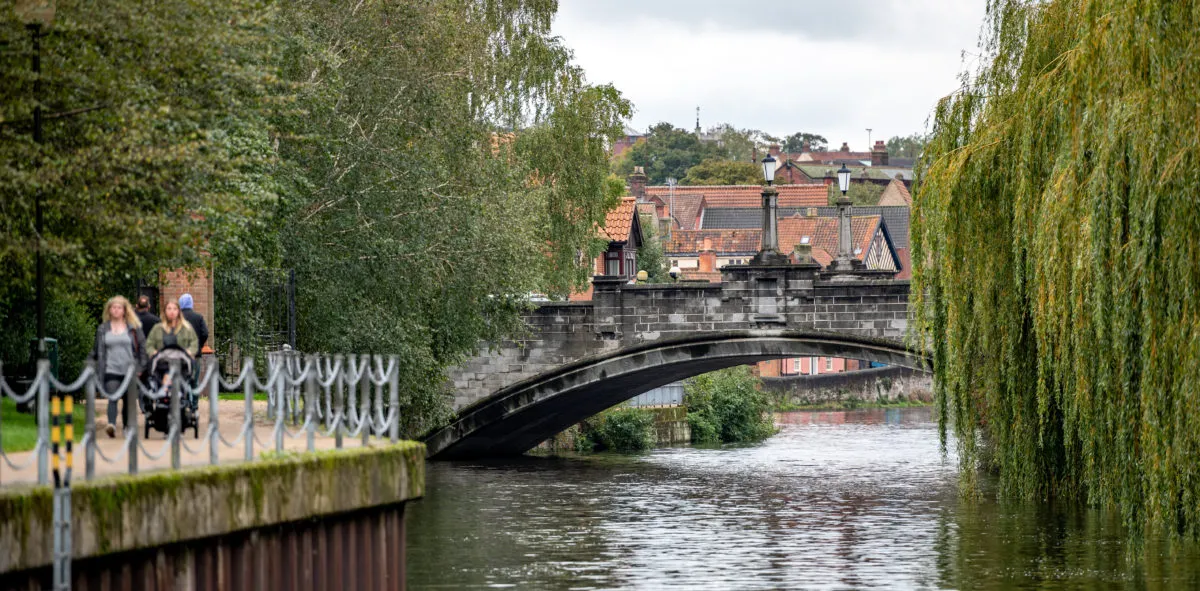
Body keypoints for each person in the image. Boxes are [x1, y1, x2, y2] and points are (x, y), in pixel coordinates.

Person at [89, 296, 148, 438]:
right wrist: (90, 362)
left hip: (129, 371)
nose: (115, 310)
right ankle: (112, 425)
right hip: (111, 369)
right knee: (113, 396)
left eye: (119, 307)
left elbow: (142, 349)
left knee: (128, 401)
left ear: (124, 310)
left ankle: (127, 427)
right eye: (113, 307)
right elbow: (97, 350)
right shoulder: (103, 329)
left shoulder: (133, 328)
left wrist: (140, 368)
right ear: (109, 310)